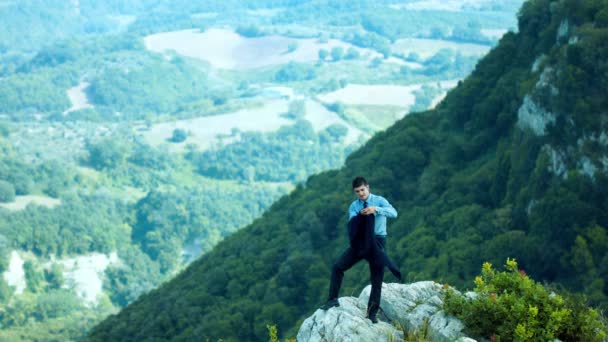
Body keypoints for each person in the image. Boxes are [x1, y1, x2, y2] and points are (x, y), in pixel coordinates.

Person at [320, 176, 399, 323]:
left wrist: (376, 209)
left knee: (376, 279)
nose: (361, 193)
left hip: (377, 241)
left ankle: (371, 314)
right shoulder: (354, 206)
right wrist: (359, 217)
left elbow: (394, 213)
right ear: (355, 192)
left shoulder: (379, 200)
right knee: (337, 267)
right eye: (357, 191)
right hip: (361, 242)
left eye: (362, 190)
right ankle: (332, 299)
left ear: (368, 187)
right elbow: (352, 225)